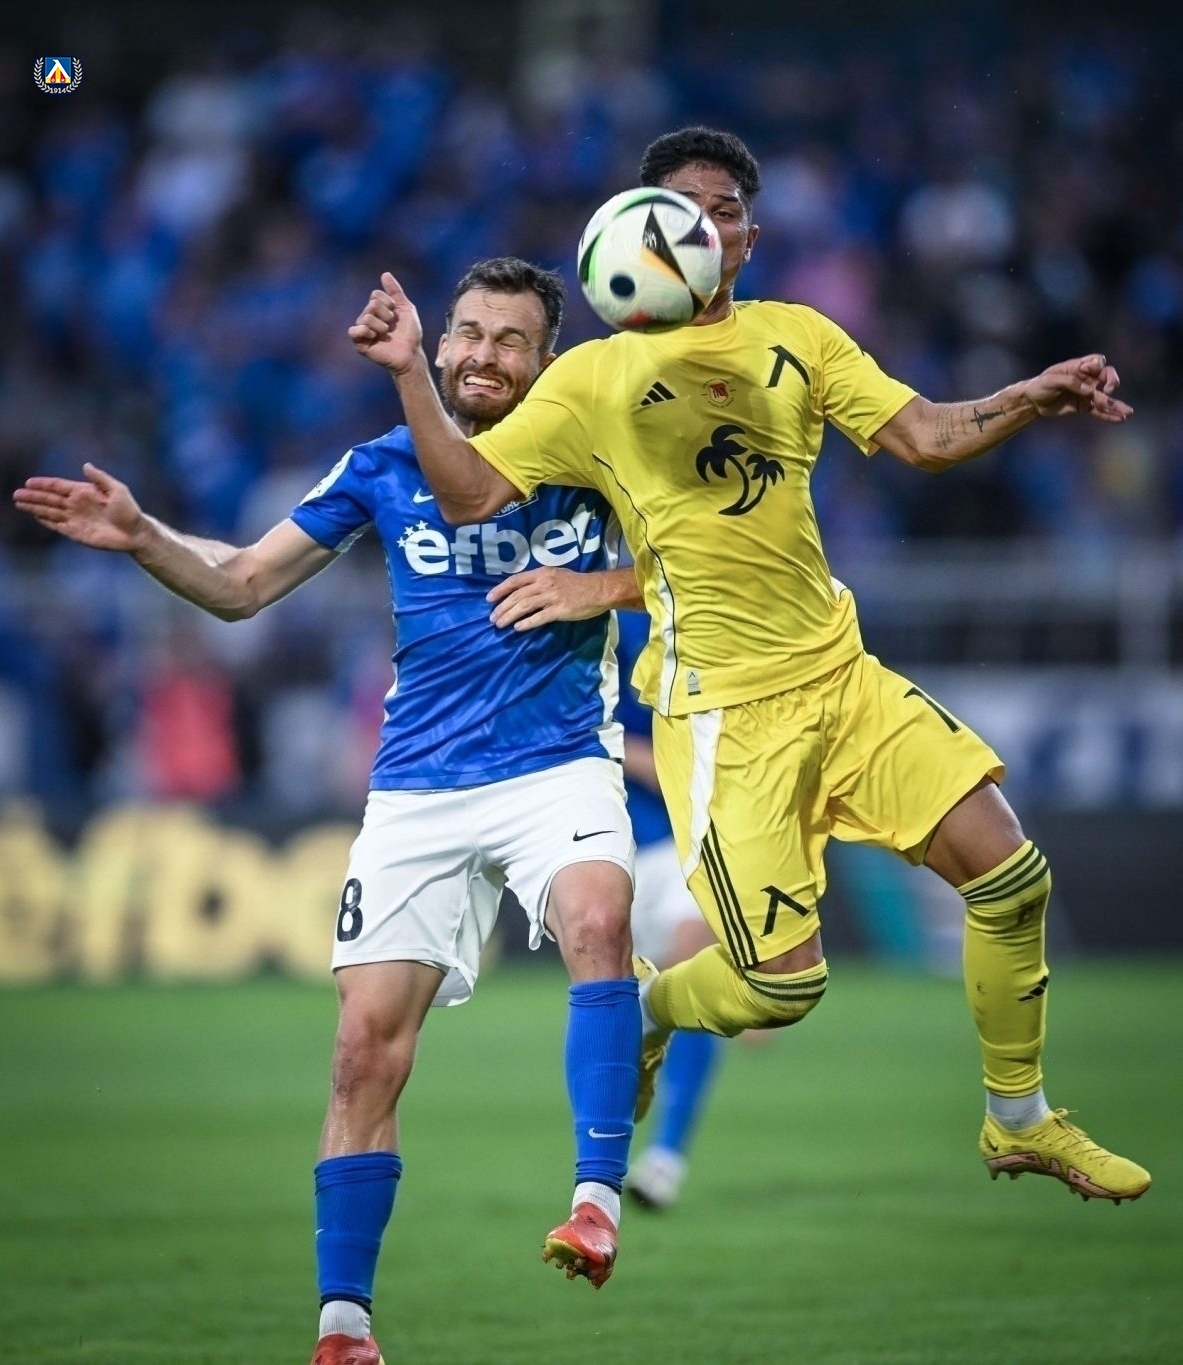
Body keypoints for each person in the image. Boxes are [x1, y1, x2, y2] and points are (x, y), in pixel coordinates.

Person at [346, 128, 1152, 1207]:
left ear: (747, 241)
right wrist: (413, 375)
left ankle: (1020, 1117)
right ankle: (647, 1011)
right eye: (678, 209)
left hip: (841, 674)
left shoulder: (798, 337)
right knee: (782, 989)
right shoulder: (592, 378)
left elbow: (922, 435)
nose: (701, 227)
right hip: (724, 713)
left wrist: (1028, 398)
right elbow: (470, 495)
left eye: (721, 211)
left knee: (1013, 875)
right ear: (636, 231)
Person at [14, 257, 649, 1365]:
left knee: (598, 917)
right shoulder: (380, 466)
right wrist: (147, 536)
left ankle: (596, 1197)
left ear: (549, 362)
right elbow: (243, 584)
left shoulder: (598, 453)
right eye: (470, 333)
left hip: (557, 764)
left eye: (513, 340)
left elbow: (715, 562)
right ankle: (343, 1327)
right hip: (417, 785)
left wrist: (598, 587)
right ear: (443, 343)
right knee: (362, 1052)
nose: (486, 355)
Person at [615, 606, 727, 1211]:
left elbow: (695, 766)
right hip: (601, 851)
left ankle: (666, 1156)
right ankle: (600, 1167)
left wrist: (621, 751)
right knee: (624, 1010)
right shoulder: (565, 626)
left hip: (681, 846)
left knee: (689, 976)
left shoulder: (686, 628)